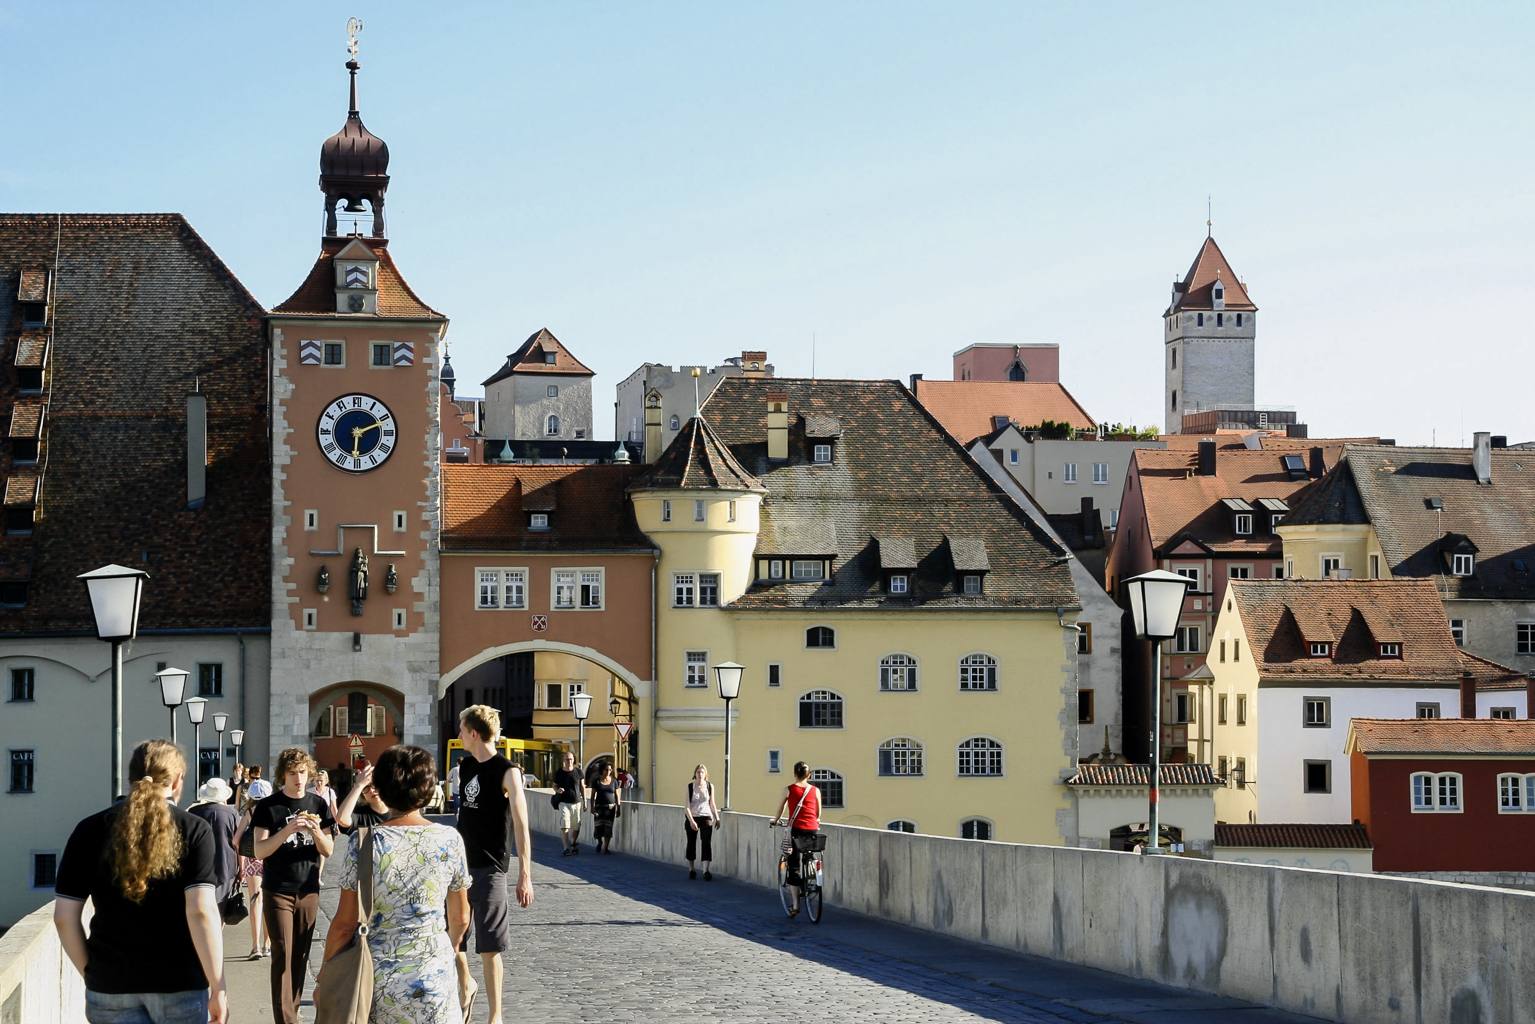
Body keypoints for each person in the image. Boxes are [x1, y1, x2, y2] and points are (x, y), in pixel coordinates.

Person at [53, 739, 228, 1024]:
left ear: (131, 779)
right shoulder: (194, 828)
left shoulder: (88, 829)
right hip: (179, 983)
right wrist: (218, 987)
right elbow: (200, 911)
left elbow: (63, 917)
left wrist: (92, 973)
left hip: (109, 984)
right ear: (178, 781)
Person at [321, 745, 471, 1024]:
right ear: (427, 787)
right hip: (435, 977)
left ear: (383, 787)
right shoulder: (449, 839)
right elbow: (460, 918)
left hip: (378, 982)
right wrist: (442, 949)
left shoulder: (364, 842)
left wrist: (324, 976)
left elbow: (344, 925)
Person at [454, 705, 535, 1024]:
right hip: (460, 868)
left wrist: (525, 874)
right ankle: (466, 982)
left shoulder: (508, 771)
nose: (459, 734)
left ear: (474, 733)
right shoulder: (465, 767)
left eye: (462, 729)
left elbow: (521, 824)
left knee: (489, 946)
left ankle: (495, 1016)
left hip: (490, 868)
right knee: (453, 939)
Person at [251, 747, 335, 1024]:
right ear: (282, 776)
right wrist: (287, 830)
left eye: (302, 772)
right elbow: (259, 850)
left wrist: (313, 831)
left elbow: (328, 849)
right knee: (283, 953)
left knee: (300, 955)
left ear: (309, 773)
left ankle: (293, 1011)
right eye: (292, 773)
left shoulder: (318, 805)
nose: (298, 778)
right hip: (278, 890)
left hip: (308, 889)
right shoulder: (268, 806)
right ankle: (286, 1019)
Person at [770, 762, 822, 916]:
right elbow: (818, 812)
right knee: (808, 851)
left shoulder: (788, 789)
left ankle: (796, 904)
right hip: (812, 828)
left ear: (794, 774)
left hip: (796, 829)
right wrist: (815, 821)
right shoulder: (815, 790)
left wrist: (775, 820)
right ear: (809, 775)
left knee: (793, 865)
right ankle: (812, 869)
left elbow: (781, 808)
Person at [189, 777, 241, 908]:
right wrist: (242, 868)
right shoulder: (232, 814)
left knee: (199, 906)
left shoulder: (193, 812)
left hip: (198, 865)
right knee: (221, 908)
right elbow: (238, 843)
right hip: (226, 865)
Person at [232, 801, 268, 959]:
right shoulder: (273, 809)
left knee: (256, 900)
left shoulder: (249, 813)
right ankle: (268, 945)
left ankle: (256, 946)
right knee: (268, 902)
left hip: (253, 858)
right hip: (270, 858)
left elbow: (235, 840)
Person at [683, 763, 721, 880]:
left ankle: (706, 870)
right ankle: (691, 869)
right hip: (693, 816)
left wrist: (717, 818)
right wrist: (691, 821)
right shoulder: (690, 787)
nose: (700, 774)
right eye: (698, 772)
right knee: (691, 843)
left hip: (706, 816)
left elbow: (712, 804)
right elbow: (687, 806)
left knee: (706, 842)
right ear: (695, 774)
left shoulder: (710, 786)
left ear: (706, 775)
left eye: (702, 772)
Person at [335, 762, 389, 831]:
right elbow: (342, 819)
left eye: (375, 784)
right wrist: (359, 785)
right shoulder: (360, 813)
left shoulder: (398, 812)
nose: (372, 790)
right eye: (366, 787)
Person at [309, 769, 340, 886]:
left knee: (322, 851)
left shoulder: (330, 792)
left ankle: (318, 876)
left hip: (326, 824)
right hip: (312, 823)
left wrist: (337, 824)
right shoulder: (310, 791)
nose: (319, 783)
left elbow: (334, 809)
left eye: (321, 780)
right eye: (317, 780)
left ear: (326, 781)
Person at [552, 751, 585, 856]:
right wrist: (558, 790)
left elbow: (582, 787)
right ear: (563, 761)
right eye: (567, 759)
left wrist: (585, 801)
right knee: (565, 825)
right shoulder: (559, 772)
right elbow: (554, 785)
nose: (569, 761)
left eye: (570, 759)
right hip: (563, 802)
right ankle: (566, 848)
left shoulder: (579, 772)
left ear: (573, 760)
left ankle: (573, 842)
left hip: (576, 802)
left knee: (576, 827)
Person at [590, 762, 622, 854]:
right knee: (598, 827)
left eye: (610, 770)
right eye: (606, 770)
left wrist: (618, 808)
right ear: (602, 770)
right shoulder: (596, 781)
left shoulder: (614, 781)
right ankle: (599, 842)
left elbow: (617, 795)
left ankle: (606, 847)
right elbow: (592, 796)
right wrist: (592, 807)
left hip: (610, 808)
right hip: (599, 807)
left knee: (608, 827)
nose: (608, 772)